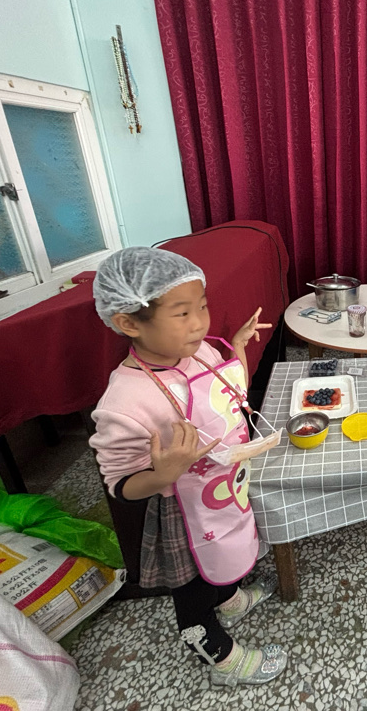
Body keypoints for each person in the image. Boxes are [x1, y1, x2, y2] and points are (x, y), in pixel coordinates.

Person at [89, 247, 288, 687]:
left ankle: (229, 596)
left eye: (202, 306)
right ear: (128, 323)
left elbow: (229, 393)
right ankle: (219, 656)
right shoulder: (125, 401)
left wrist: (238, 347)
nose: (199, 322)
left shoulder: (200, 354)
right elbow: (118, 483)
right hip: (183, 511)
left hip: (226, 485)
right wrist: (164, 473)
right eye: (182, 313)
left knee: (229, 548)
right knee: (193, 587)